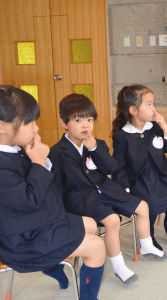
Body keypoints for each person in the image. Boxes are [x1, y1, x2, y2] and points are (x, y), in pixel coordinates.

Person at [0, 86, 105, 300]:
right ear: (2, 126)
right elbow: (30, 200)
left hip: (36, 223)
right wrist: (38, 163)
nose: (36, 129)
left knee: (92, 224)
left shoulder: (16, 149)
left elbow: (41, 186)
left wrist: (41, 161)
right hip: (22, 241)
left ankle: (54, 266)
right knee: (96, 246)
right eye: (29, 122)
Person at [49, 93, 166, 285]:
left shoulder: (98, 144)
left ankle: (146, 245)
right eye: (78, 120)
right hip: (82, 199)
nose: (86, 125)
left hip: (107, 190)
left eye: (89, 119)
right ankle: (119, 266)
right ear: (64, 123)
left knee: (143, 206)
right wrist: (62, 214)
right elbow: (57, 186)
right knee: (112, 221)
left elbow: (111, 168)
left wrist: (95, 149)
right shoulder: (56, 152)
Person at [112, 85, 167, 248]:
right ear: (133, 110)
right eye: (149, 104)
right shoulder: (122, 135)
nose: (154, 109)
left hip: (159, 175)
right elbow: (119, 166)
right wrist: (125, 189)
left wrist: (165, 126)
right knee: (149, 205)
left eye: (153, 103)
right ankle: (148, 236)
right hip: (138, 179)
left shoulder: (155, 128)